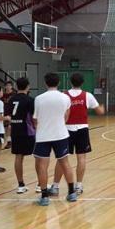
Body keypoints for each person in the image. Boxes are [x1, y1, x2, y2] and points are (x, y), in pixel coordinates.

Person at [50, 73, 104, 196]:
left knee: (61, 158)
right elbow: (99, 111)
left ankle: (55, 186)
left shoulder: (64, 95)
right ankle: (78, 185)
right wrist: (102, 108)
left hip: (66, 130)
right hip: (82, 129)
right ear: (82, 83)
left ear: (70, 82)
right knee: (81, 158)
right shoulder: (87, 95)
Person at [33, 73, 76, 206]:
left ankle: (45, 196)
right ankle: (71, 193)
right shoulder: (65, 98)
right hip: (60, 134)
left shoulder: (39, 98)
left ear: (45, 83)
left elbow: (35, 119)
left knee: (42, 166)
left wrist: (42, 127)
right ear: (58, 83)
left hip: (43, 135)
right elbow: (66, 116)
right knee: (65, 163)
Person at [7, 77, 35, 194]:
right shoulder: (30, 100)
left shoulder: (11, 99)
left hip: (15, 130)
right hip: (28, 131)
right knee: (38, 156)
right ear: (28, 86)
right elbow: (33, 117)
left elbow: (8, 117)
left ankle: (20, 185)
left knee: (18, 156)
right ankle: (40, 184)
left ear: (16, 86)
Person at [2, 81, 15, 148]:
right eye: (7, 85)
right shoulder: (2, 95)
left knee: (10, 127)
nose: (8, 87)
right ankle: (9, 141)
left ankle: (11, 141)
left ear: (12, 86)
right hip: (4, 113)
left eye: (9, 85)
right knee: (6, 128)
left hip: (12, 113)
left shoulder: (14, 94)